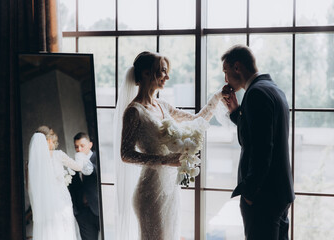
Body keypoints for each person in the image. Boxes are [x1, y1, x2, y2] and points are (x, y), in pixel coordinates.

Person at [114, 51, 225, 240]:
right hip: (149, 192)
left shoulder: (162, 105)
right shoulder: (134, 112)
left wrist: (217, 97)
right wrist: (165, 160)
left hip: (171, 188)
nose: (168, 76)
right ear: (146, 73)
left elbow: (197, 120)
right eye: (163, 71)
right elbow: (126, 154)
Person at [221, 45, 295, 240]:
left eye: (226, 72)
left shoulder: (256, 94)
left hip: (263, 196)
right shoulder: (273, 89)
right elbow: (259, 134)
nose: (225, 79)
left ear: (237, 67)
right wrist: (236, 112)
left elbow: (263, 149)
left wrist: (250, 193)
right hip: (280, 192)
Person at [27, 126, 93, 240]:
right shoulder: (57, 155)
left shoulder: (30, 164)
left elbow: (30, 188)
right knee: (63, 232)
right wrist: (80, 156)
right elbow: (78, 167)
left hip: (44, 204)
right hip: (61, 202)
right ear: (49, 140)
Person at [69, 132, 100, 240]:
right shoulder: (73, 164)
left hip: (100, 209)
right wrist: (76, 212)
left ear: (90, 145)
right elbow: (72, 189)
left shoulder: (99, 158)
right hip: (83, 214)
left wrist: (85, 163)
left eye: (82, 146)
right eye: (76, 147)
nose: (79, 149)